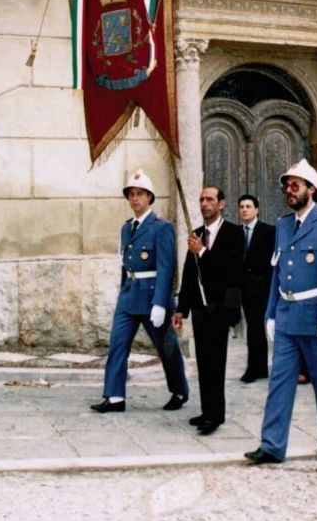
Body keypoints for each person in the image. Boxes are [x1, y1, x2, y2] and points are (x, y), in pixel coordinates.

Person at [245, 159, 317, 465]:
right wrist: (271, 313)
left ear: (311, 189)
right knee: (279, 380)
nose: (288, 191)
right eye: (286, 185)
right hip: (288, 314)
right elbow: (277, 270)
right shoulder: (283, 224)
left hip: (316, 316)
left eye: (295, 185)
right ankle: (272, 445)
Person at [92, 169, 188, 413]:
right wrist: (123, 290)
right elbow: (125, 263)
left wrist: (160, 303)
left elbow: (166, 268)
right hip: (129, 295)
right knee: (117, 344)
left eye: (140, 194)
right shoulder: (127, 228)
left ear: (150, 197)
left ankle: (179, 390)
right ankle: (115, 397)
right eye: (131, 194)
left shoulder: (161, 227)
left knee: (167, 347)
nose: (134, 199)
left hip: (153, 296)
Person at [173, 186, 244, 436]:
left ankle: (215, 415)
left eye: (210, 199)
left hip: (221, 307)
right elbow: (189, 274)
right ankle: (206, 410)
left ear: (221, 204)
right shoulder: (197, 233)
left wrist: (202, 252)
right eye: (202, 199)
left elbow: (230, 271)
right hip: (200, 309)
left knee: (216, 362)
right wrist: (181, 308)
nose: (205, 204)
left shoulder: (234, 233)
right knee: (203, 362)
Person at [238, 194, 276, 383]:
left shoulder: (269, 231)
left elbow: (274, 260)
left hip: (265, 288)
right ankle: (257, 368)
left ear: (257, 210)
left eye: (248, 206)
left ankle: (259, 368)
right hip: (244, 289)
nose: (244, 209)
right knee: (254, 329)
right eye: (242, 207)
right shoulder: (236, 232)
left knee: (267, 328)